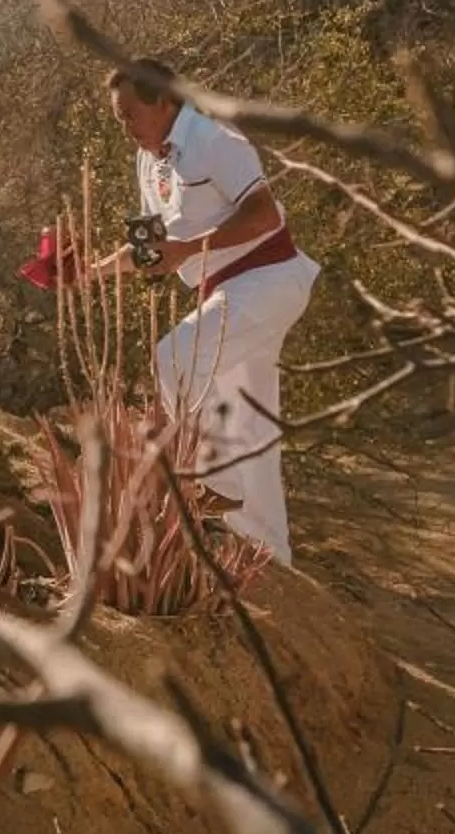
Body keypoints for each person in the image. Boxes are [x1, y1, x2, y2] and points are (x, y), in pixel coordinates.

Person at [103, 57, 316, 561]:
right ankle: (269, 555)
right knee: (249, 425)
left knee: (174, 357)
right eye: (119, 116)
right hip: (228, 289)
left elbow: (263, 215)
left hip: (268, 278)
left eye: (130, 113)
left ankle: (212, 480)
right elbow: (155, 248)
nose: (124, 126)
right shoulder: (149, 162)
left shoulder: (216, 138)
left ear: (164, 101)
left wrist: (190, 249)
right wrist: (87, 272)